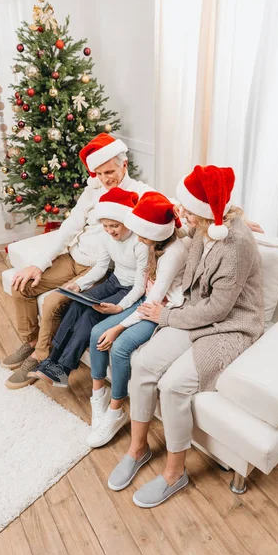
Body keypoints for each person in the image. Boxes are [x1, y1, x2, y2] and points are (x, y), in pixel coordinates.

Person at [108, 164, 265, 508]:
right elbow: (177, 231)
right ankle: (138, 450)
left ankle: (174, 474)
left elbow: (218, 311)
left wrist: (165, 315)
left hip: (230, 326)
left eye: (186, 208)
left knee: (173, 385)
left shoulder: (235, 245)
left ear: (205, 212)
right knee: (144, 364)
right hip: (194, 314)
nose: (181, 212)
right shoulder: (206, 228)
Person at [2, 133, 153, 389]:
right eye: (99, 173)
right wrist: (39, 263)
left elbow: (169, 207)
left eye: (110, 171)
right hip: (73, 257)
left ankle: (41, 357)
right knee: (22, 285)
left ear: (124, 164)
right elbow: (68, 228)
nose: (105, 179)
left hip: (97, 268)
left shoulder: (140, 193)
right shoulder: (91, 191)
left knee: (53, 304)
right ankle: (30, 344)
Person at [86, 191, 188, 448]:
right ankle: (98, 395)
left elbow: (154, 299)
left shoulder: (172, 254)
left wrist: (120, 325)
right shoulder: (153, 243)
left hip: (163, 308)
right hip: (148, 301)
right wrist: (121, 307)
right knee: (97, 332)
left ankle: (116, 410)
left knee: (120, 347)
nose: (138, 238)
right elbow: (142, 288)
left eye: (142, 233)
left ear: (155, 233)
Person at [29, 188, 149, 397]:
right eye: (105, 226)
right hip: (113, 281)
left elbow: (140, 287)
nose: (110, 231)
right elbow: (102, 267)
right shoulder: (106, 237)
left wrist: (120, 307)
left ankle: (63, 369)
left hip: (130, 289)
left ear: (127, 222)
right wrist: (80, 285)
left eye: (114, 226)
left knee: (91, 314)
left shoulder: (140, 244)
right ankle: (51, 360)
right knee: (76, 305)